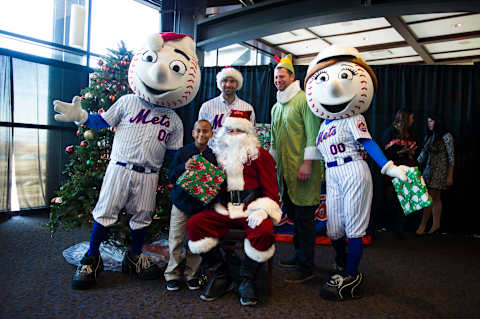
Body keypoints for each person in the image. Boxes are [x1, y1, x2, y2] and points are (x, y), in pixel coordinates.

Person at [53, 32, 201, 290]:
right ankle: (92, 258)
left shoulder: (174, 120)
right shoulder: (127, 101)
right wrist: (82, 116)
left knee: (143, 217)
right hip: (119, 167)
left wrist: (189, 167)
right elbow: (104, 120)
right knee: (105, 212)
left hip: (150, 173)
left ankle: (133, 257)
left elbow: (173, 156)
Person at [304, 45, 410, 301]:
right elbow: (319, 154)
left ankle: (351, 274)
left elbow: (368, 143)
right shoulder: (322, 126)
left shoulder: (354, 116)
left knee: (354, 229)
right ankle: (342, 266)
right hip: (332, 173)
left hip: (353, 169)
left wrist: (389, 167)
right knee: (334, 230)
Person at [186, 110, 282, 306]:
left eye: (240, 130)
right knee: (195, 224)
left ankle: (247, 279)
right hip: (225, 208)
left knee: (264, 231)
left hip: (251, 208)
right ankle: (221, 273)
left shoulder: (261, 156)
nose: (234, 134)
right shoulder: (218, 156)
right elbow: (209, 183)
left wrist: (263, 210)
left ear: (249, 134)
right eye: (230, 130)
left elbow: (272, 193)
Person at [270, 54, 324, 283]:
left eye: (282, 76)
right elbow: (273, 140)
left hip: (304, 171)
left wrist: (307, 162)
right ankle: (298, 254)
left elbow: (314, 134)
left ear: (292, 76)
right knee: (294, 215)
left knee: (304, 219)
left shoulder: (304, 101)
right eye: (275, 76)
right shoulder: (276, 107)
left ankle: (306, 266)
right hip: (285, 173)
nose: (278, 80)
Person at [164, 119, 218, 291]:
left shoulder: (212, 156)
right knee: (176, 239)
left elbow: (215, 183)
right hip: (180, 203)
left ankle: (191, 274)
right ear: (193, 133)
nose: (202, 134)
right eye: (199, 131)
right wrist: (183, 167)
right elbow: (170, 175)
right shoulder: (183, 152)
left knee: (196, 241)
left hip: (200, 207)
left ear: (211, 134)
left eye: (205, 131)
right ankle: (172, 274)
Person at [381, 109, 418, 239]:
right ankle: (390, 226)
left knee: (405, 199)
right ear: (405, 118)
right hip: (394, 169)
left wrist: (410, 151)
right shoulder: (390, 131)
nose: (413, 121)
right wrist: (400, 152)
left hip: (407, 168)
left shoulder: (411, 132)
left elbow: (415, 148)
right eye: (411, 118)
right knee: (391, 198)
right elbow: (384, 153)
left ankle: (400, 229)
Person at [416, 114, 454, 235]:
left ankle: (422, 226)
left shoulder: (447, 136)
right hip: (429, 169)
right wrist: (413, 163)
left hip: (440, 170)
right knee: (436, 197)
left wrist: (450, 175)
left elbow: (451, 157)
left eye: (431, 121)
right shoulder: (431, 136)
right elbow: (423, 153)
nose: (429, 123)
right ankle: (436, 224)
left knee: (430, 197)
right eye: (428, 121)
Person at [198, 66, 255, 144]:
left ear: (237, 84)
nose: (228, 85)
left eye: (232, 81)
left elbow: (251, 134)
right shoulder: (207, 107)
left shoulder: (247, 108)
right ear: (220, 83)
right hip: (212, 152)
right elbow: (200, 133)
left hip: (237, 153)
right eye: (225, 81)